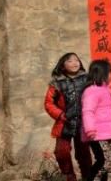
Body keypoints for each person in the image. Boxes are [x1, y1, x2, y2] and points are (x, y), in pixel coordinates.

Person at [44, 53, 92, 181]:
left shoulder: (87, 79)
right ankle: (69, 176)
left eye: (77, 60)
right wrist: (60, 114)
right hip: (65, 122)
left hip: (83, 122)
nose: (75, 63)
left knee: (84, 153)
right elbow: (49, 103)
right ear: (62, 65)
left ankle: (88, 176)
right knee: (61, 151)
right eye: (70, 61)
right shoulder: (56, 83)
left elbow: (94, 96)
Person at [81, 60, 111, 181]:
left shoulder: (106, 90)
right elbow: (88, 111)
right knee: (106, 161)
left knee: (109, 161)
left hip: (108, 133)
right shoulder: (91, 91)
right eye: (109, 73)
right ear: (101, 74)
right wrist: (90, 129)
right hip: (96, 134)